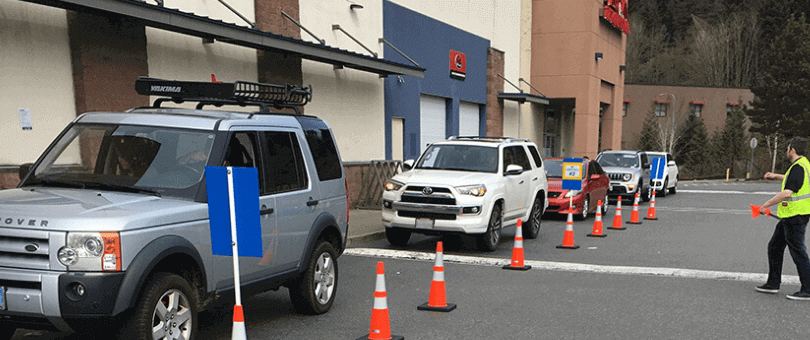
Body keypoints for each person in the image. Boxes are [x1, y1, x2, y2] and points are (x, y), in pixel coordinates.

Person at [757, 137, 810, 300]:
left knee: (798, 251)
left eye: (787, 148)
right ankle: (773, 283)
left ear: (792, 150)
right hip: (792, 216)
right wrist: (775, 176)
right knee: (774, 247)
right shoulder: (803, 165)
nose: (786, 151)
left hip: (795, 216)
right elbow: (792, 180)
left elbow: (787, 192)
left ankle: (808, 289)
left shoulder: (798, 167)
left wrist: (766, 205)